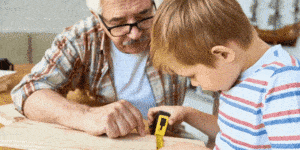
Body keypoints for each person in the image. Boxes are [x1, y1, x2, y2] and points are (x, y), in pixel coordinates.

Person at [11, 0, 188, 139]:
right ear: (97, 17)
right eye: (118, 23)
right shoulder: (82, 39)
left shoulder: (176, 27)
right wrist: (86, 115)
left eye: (144, 15)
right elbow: (27, 91)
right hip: (109, 142)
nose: (135, 34)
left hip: (167, 138)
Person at [148, 0, 300, 149]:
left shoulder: (282, 82)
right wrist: (186, 113)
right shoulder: (236, 73)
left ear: (223, 54)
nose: (193, 83)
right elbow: (233, 133)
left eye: (192, 75)